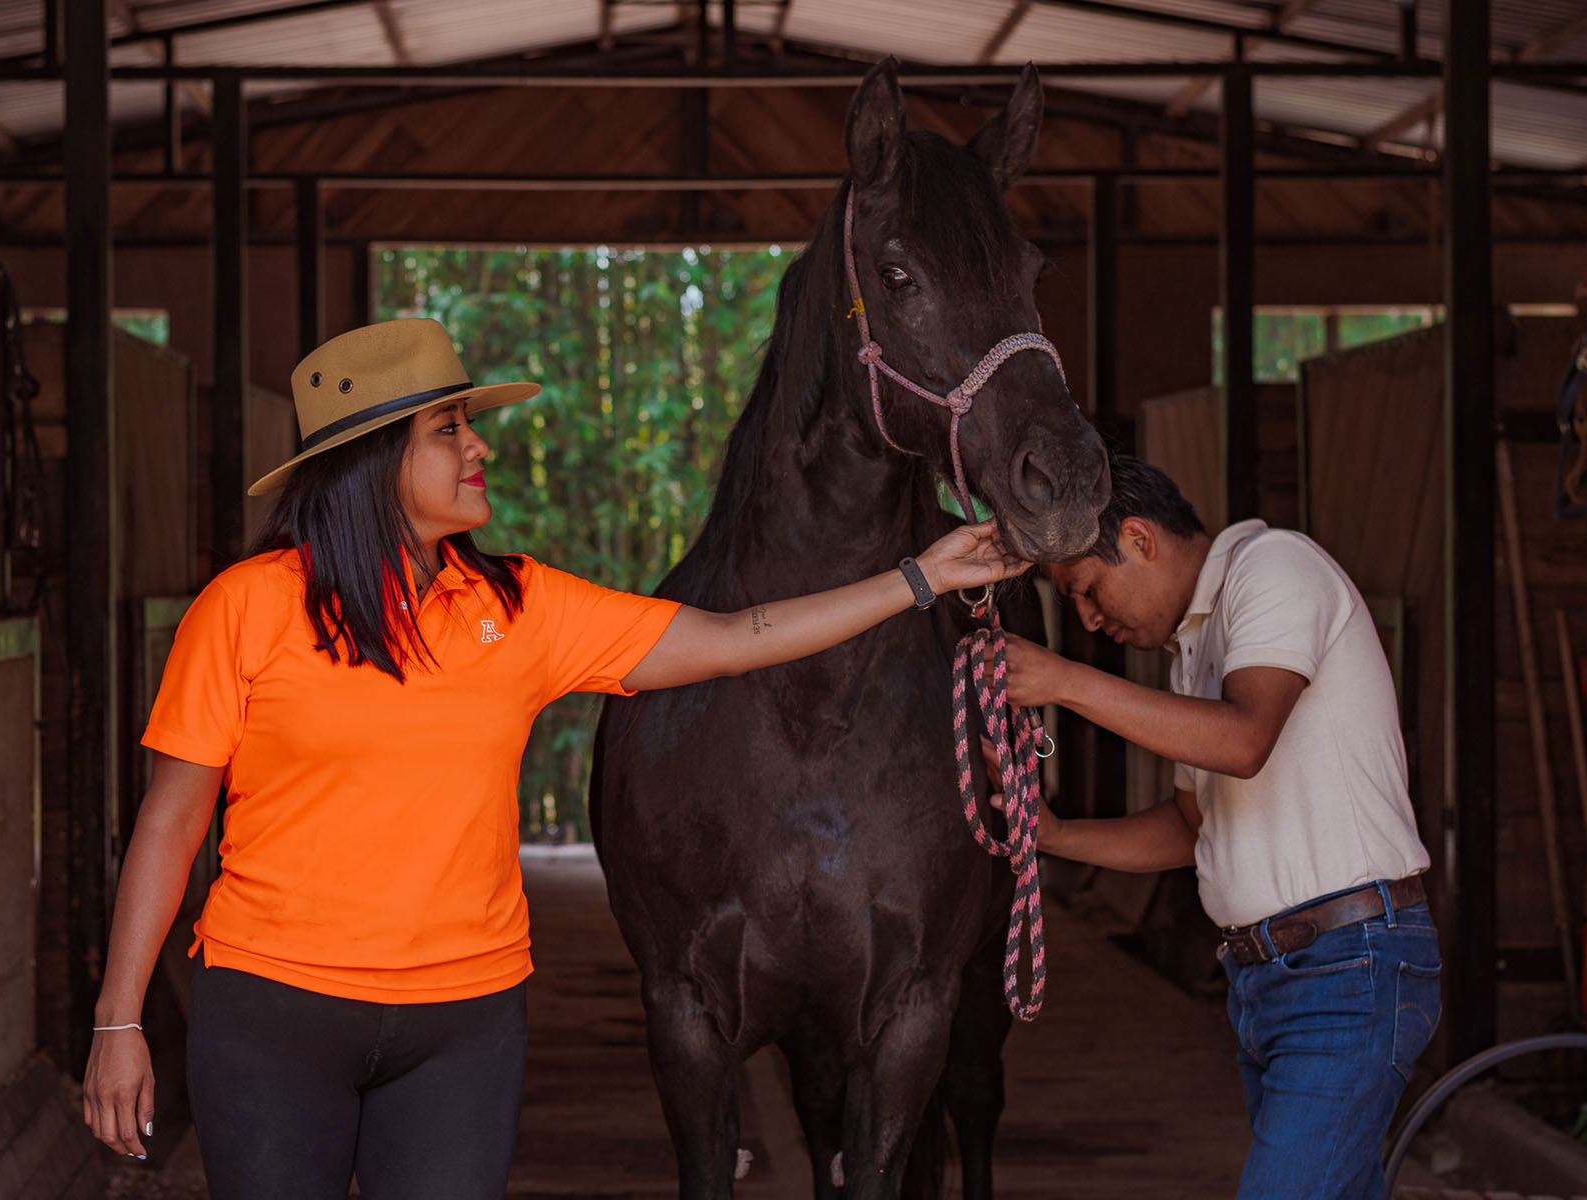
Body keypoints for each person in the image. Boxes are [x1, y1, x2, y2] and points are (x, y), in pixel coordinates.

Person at [81, 317, 1029, 1200]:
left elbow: (740, 634)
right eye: (449, 430)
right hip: (272, 1014)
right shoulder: (244, 610)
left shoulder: (520, 609)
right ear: (373, 461)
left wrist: (921, 578)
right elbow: (171, 819)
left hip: (461, 1028)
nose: (478, 447)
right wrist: (119, 1020)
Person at [991, 455, 1440, 1200]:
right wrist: (1054, 833)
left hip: (1348, 968)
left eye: (1088, 592)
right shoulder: (1193, 653)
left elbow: (1244, 739)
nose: (1091, 622)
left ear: (1138, 539)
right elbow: (1189, 825)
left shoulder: (1275, 569)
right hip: (1269, 982)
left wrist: (1063, 680)